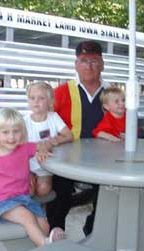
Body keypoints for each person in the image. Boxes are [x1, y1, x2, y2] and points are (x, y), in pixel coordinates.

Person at [46, 40, 108, 235]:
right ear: (76, 65)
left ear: (102, 64)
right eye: (83, 60)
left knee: (109, 195)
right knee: (59, 196)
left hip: (104, 160)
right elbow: (43, 120)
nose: (89, 66)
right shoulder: (62, 92)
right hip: (67, 159)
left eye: (94, 60)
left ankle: (94, 231)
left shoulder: (112, 93)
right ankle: (55, 235)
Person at [0, 107, 64, 247]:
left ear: (22, 132)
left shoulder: (24, 148)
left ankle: (38, 250)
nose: (11, 137)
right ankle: (46, 245)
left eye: (16, 131)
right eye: (5, 132)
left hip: (24, 198)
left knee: (44, 224)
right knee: (27, 218)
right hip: (2, 202)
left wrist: (41, 150)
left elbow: (41, 145)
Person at [24, 82, 73, 197]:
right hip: (28, 166)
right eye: (32, 98)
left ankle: (43, 209)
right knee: (28, 190)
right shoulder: (24, 121)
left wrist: (53, 141)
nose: (36, 101)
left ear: (50, 102)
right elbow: (19, 147)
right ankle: (28, 211)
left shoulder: (53, 117)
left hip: (47, 166)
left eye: (41, 98)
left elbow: (69, 135)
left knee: (43, 190)